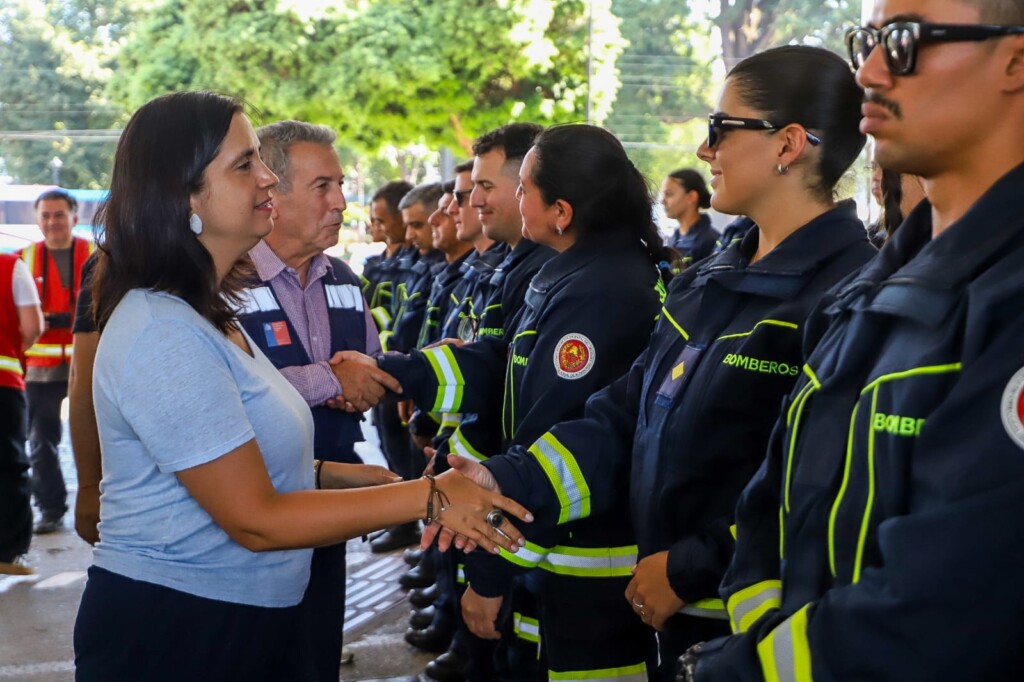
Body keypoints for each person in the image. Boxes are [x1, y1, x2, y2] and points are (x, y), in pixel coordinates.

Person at [443, 45, 877, 680]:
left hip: (752, 629)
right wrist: (508, 481)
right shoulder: (709, 279)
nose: (705, 150)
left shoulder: (846, 297)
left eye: (720, 129)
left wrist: (688, 566)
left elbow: (814, 487)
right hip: (669, 614)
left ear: (788, 145)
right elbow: (623, 414)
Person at [72, 91, 531, 681]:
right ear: (184, 195)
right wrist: (430, 496)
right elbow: (255, 519)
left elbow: (228, 452)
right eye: (245, 165)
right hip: (182, 627)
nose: (267, 178)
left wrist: (336, 476)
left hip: (239, 615)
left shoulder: (208, 311)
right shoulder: (163, 328)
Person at [686, 1, 1024, 679]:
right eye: (866, 40)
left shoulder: (1007, 300)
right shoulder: (874, 288)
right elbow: (772, 501)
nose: (868, 70)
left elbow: (946, 608)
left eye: (902, 41)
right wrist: (758, 626)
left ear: (1014, 62)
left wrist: (742, 670)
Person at [378, 123, 673, 681]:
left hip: (583, 563)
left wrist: (488, 575)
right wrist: (400, 373)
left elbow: (553, 429)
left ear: (560, 210)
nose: (508, 198)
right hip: (546, 552)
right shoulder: (569, 270)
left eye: (522, 188)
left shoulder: (601, 288)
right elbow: (502, 365)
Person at [236, 119, 400, 679]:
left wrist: (354, 380)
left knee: (315, 648)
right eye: (323, 186)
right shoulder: (226, 281)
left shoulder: (346, 280)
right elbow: (238, 392)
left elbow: (369, 376)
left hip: (332, 495)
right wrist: (332, 380)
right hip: (250, 495)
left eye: (341, 185)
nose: (341, 202)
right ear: (271, 192)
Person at [18, 189, 95, 534]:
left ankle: (106, 505)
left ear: (75, 218)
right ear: (37, 220)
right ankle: (50, 508)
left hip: (90, 360)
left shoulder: (96, 254)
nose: (52, 222)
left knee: (101, 436)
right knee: (40, 439)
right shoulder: (23, 259)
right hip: (41, 367)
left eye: (59, 215)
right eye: (45, 215)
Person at [0, 252, 44, 574]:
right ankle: (9, 553)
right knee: (10, 466)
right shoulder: (10, 266)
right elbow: (32, 327)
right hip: (4, 384)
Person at [661, 168, 718, 270]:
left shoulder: (710, 241)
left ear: (691, 197)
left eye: (669, 194)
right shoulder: (672, 240)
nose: (662, 201)